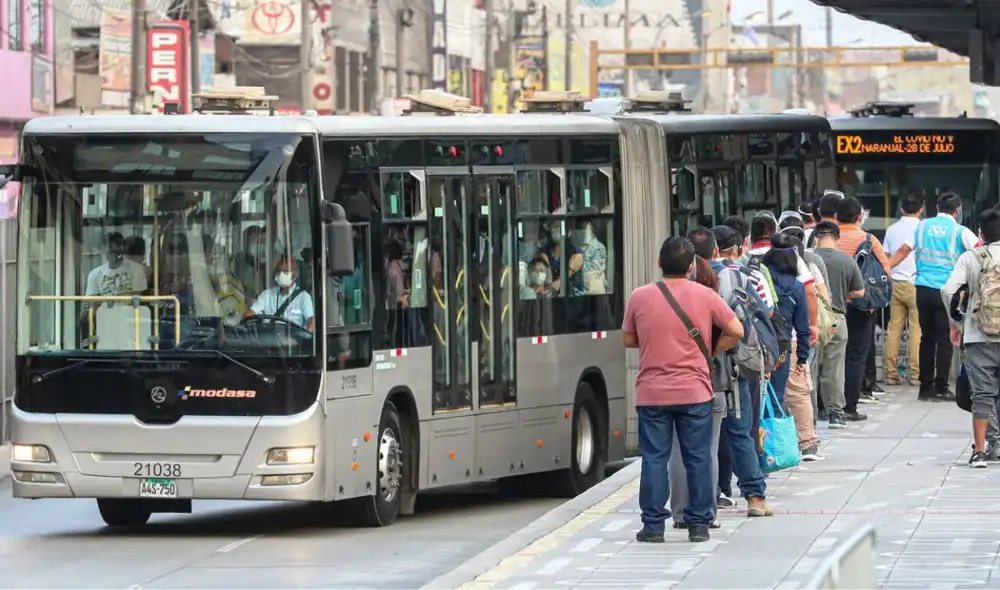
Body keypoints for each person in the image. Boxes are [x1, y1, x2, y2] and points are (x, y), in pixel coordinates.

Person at [623, 236, 743, 544]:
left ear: (659, 263)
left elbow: (628, 339)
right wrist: (712, 351)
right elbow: (737, 331)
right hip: (695, 391)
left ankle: (652, 525)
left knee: (654, 458)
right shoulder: (705, 295)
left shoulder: (639, 296)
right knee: (698, 456)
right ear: (691, 267)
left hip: (652, 393)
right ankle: (699, 524)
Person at [709, 225, 773, 515]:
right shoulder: (738, 276)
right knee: (739, 430)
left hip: (690, 369)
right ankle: (754, 496)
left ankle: (709, 495)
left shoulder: (683, 280)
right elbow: (759, 315)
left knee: (696, 437)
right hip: (730, 366)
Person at [892, 192, 977, 401]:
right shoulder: (959, 230)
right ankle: (941, 387)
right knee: (945, 340)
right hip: (946, 292)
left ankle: (925, 388)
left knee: (926, 339)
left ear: (936, 208)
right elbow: (978, 250)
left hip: (921, 290)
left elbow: (904, 249)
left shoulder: (921, 227)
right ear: (957, 211)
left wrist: (888, 267)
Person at [942, 209, 1000, 467]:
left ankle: (980, 450)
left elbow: (948, 291)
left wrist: (956, 322)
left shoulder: (971, 257)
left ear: (981, 233)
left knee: (982, 395)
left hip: (979, 335)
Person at [836, 196, 889, 421]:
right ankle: (850, 405)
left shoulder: (827, 239)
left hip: (832, 305)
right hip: (860, 305)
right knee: (856, 355)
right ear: (859, 216)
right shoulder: (868, 239)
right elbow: (886, 269)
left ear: (837, 217)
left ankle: (829, 404)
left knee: (832, 357)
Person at [811, 221, 865, 428]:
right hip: (836, 319)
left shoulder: (807, 258)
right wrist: (842, 294)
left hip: (811, 319)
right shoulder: (847, 261)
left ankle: (811, 414)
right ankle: (835, 413)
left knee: (810, 367)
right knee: (834, 369)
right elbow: (860, 292)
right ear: (837, 238)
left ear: (816, 237)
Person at [762, 233, 811, 407]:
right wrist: (802, 358)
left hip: (757, 346)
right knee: (776, 399)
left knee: (756, 401)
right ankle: (772, 433)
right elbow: (803, 327)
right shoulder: (797, 287)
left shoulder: (760, 279)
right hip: (782, 348)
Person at [882, 192, 924, 386]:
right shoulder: (923, 228)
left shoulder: (891, 229)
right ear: (921, 209)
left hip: (895, 282)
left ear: (900, 209)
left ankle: (891, 373)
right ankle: (915, 375)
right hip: (917, 283)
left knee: (894, 329)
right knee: (916, 329)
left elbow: (886, 256)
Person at [245, 256, 315, 331]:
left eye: (285, 271)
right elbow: (250, 314)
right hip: (267, 340)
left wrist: (307, 338)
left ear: (295, 275)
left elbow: (311, 322)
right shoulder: (267, 295)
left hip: (293, 341)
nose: (281, 274)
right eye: (278, 271)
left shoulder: (304, 297)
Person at [86, 232, 149, 298]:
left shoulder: (137, 269)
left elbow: (136, 299)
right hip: (104, 308)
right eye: (111, 251)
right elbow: (93, 303)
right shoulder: (94, 274)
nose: (113, 255)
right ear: (103, 249)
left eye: (116, 251)